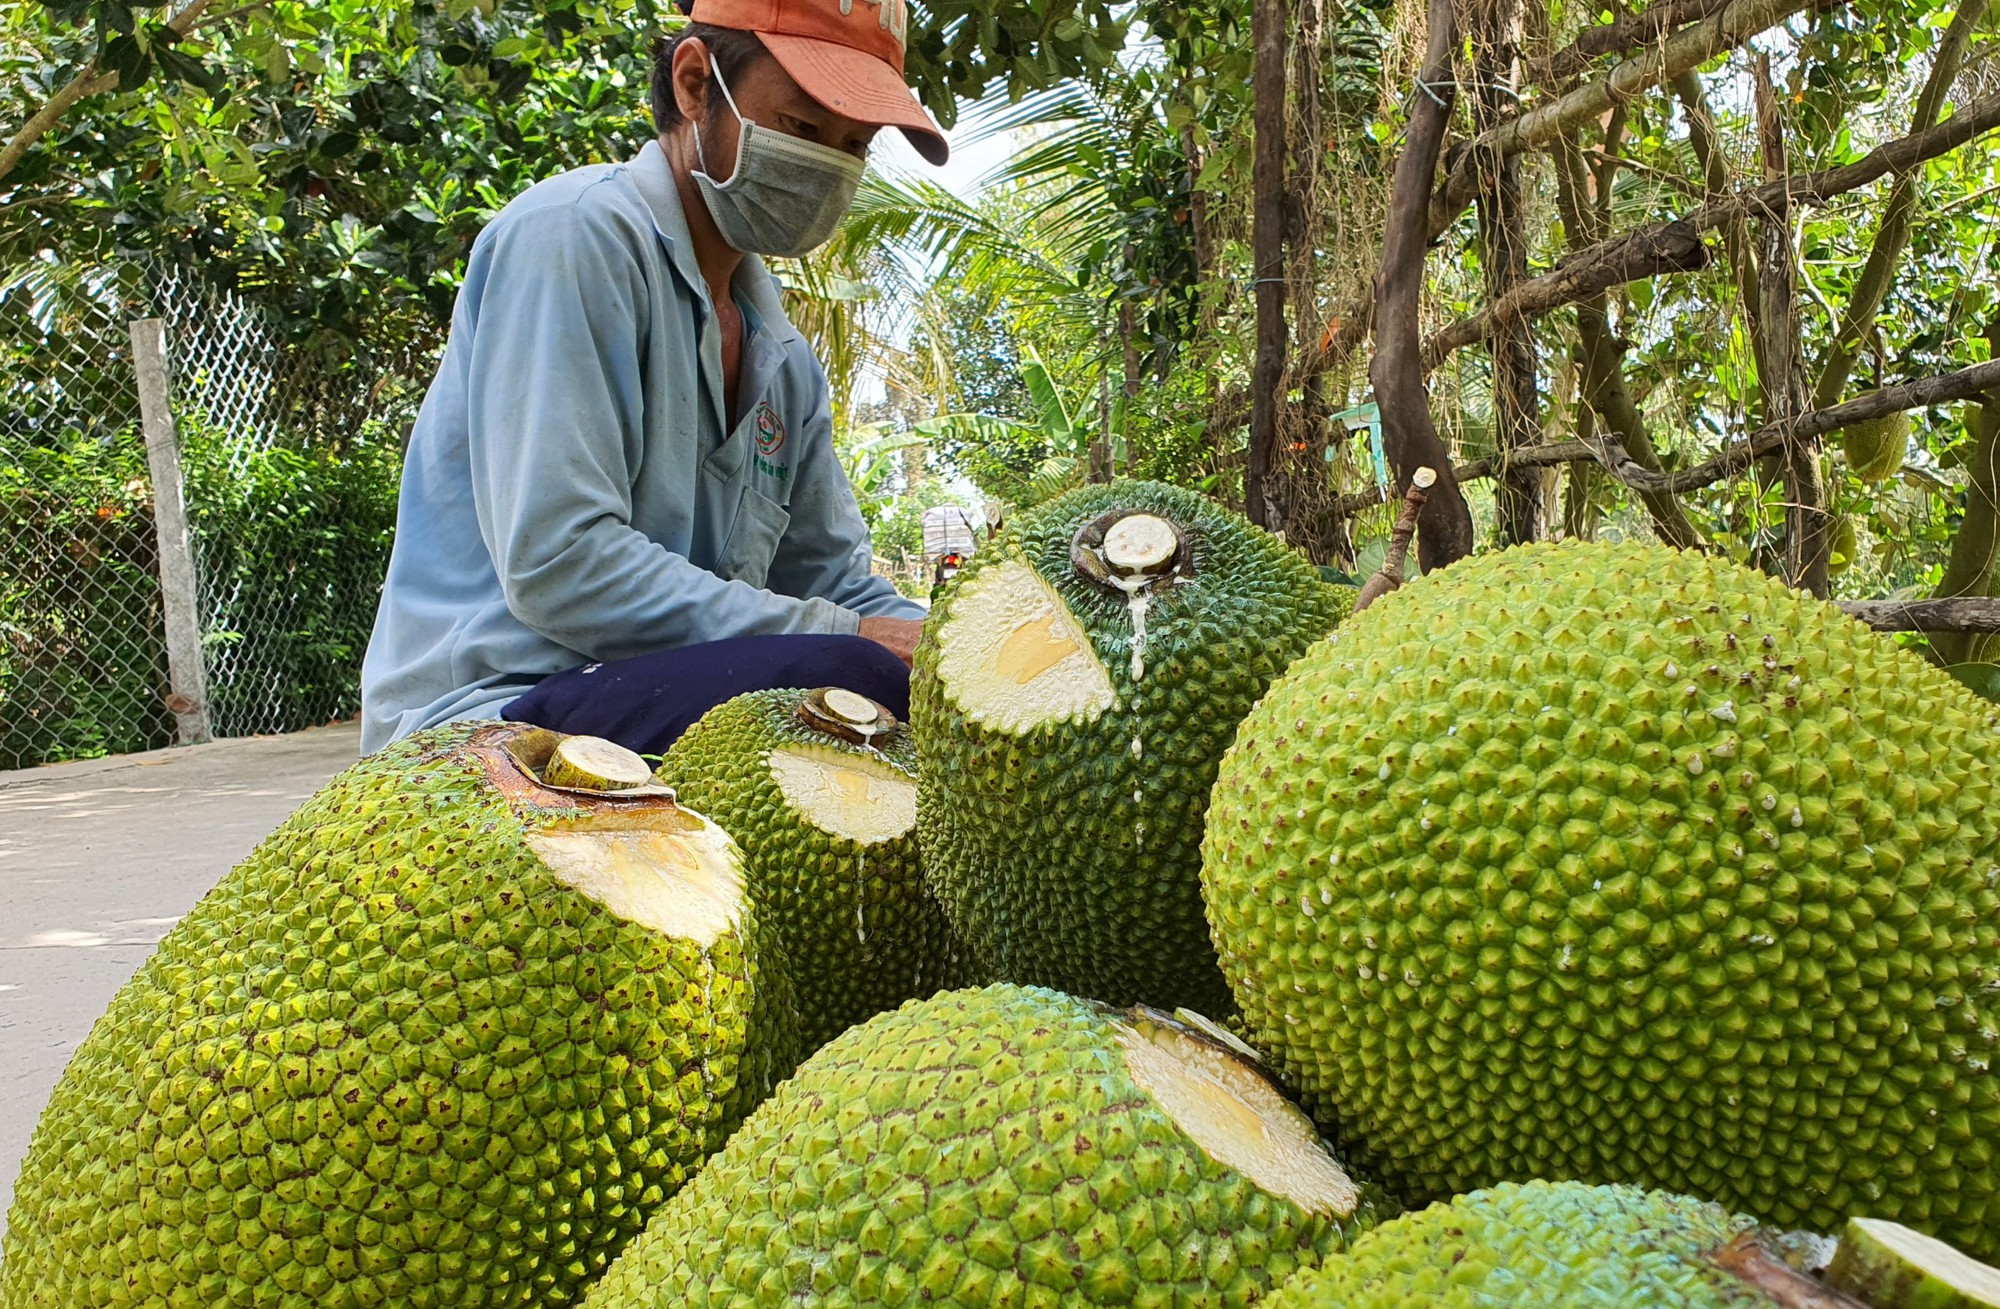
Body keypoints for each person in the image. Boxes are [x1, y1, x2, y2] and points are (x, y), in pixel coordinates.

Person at [357, 0, 947, 756]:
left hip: (642, 696)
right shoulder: (571, 238)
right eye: (803, 129)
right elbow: (560, 563)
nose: (827, 166)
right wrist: (854, 638)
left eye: (854, 147)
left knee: (914, 685)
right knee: (850, 672)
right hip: (492, 716)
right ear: (696, 83)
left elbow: (833, 580)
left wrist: (961, 649)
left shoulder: (784, 360)